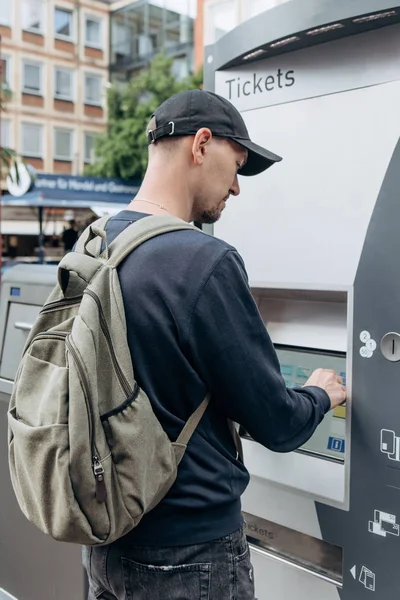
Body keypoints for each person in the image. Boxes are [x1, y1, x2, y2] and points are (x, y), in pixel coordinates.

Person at [84, 90, 346, 600]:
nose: (237, 189)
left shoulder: (95, 242)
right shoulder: (203, 261)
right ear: (201, 144)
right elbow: (278, 422)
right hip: (189, 557)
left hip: (106, 541)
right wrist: (320, 392)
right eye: (237, 165)